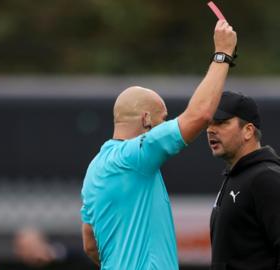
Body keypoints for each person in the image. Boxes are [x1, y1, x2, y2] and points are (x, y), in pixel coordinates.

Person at [80, 20, 237, 269]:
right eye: (163, 120)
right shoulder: (135, 156)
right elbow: (199, 116)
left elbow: (90, 243)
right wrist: (223, 54)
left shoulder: (94, 169)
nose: (165, 125)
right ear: (146, 119)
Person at [206, 91, 280, 269]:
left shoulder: (267, 179)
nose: (210, 130)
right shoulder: (235, 176)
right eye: (209, 124)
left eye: (221, 123)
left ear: (248, 131)